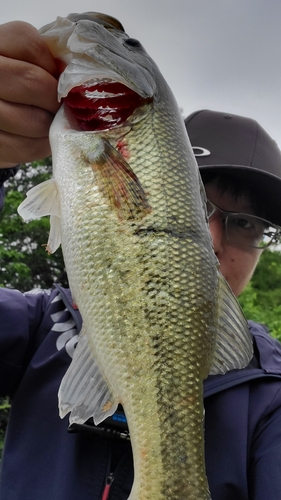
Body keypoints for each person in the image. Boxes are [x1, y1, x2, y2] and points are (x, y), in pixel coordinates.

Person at [1, 20, 281, 500]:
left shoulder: (272, 395)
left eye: (247, 224)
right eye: (196, 205)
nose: (211, 240)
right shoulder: (33, 328)